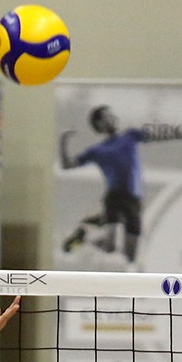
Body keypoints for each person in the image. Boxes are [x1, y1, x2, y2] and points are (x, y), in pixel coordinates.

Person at [59, 106, 149, 264]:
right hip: (115, 197)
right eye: (107, 116)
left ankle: (89, 229)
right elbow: (67, 165)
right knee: (110, 245)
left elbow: (154, 134)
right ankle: (86, 236)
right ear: (99, 124)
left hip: (134, 200)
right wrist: (63, 141)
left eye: (112, 115)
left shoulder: (130, 136)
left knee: (130, 256)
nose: (112, 118)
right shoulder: (98, 150)